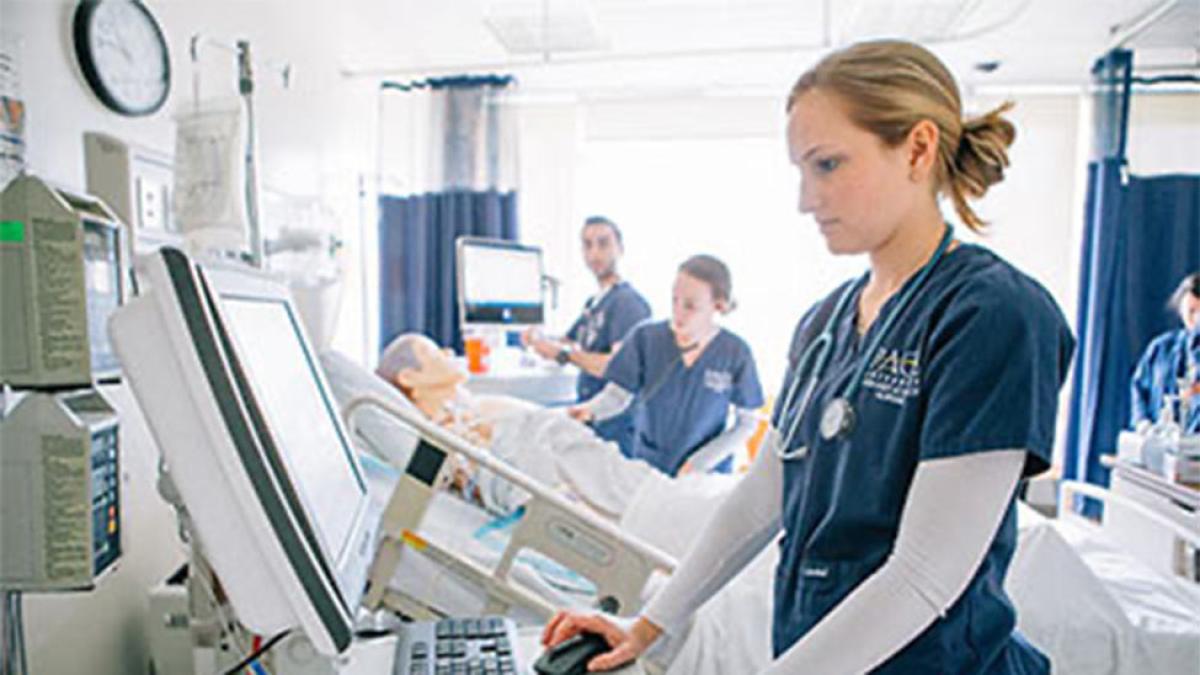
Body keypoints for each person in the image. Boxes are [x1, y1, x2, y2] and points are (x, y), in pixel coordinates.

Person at [541, 39, 1075, 674]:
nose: (805, 198)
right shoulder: (824, 322)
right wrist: (648, 625)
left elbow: (926, 574)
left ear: (918, 149)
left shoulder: (993, 315)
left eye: (827, 165)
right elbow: (763, 496)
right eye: (800, 170)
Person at [569, 255, 764, 476]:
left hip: (706, 475)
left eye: (690, 306)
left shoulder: (735, 353)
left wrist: (699, 463)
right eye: (675, 300)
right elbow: (617, 396)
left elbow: (747, 423)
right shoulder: (646, 339)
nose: (678, 313)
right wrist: (588, 410)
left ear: (718, 305)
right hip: (650, 465)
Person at [525, 216, 652, 457]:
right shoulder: (595, 303)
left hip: (614, 426)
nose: (595, 253)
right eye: (587, 245)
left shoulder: (627, 304)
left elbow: (615, 368)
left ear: (620, 248)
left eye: (603, 244)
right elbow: (568, 340)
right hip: (590, 417)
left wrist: (563, 355)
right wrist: (537, 337)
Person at [1130, 271, 1200, 433]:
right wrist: (1142, 422)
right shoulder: (1161, 347)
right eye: (1191, 311)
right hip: (1160, 441)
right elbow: (1139, 387)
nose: (1196, 319)